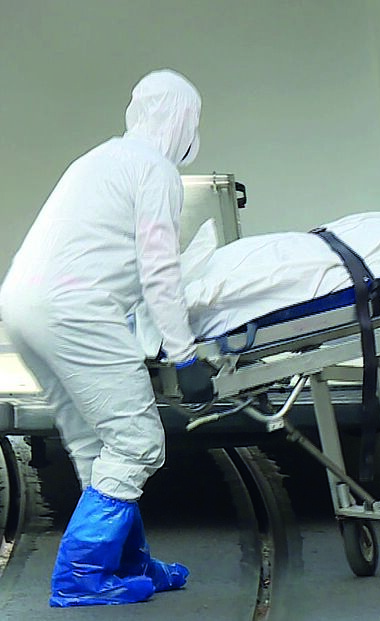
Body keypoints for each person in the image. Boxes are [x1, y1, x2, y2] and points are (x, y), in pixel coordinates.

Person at [0, 69, 216, 606]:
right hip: (77, 312)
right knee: (138, 442)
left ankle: (126, 562)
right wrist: (185, 355)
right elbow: (159, 271)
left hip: (22, 305)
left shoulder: (98, 158)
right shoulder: (156, 171)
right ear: (183, 120)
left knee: (95, 445)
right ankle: (80, 577)